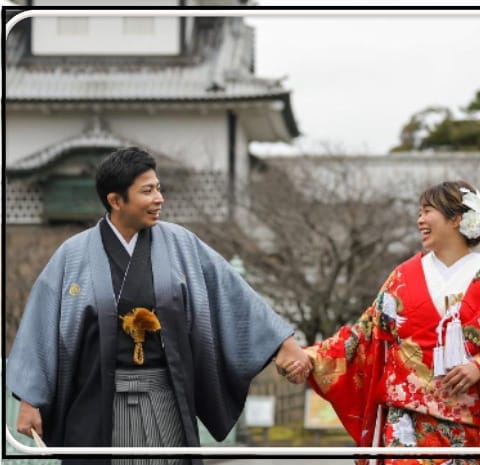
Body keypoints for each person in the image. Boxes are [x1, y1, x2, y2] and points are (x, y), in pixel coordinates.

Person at [6, 147, 311, 465]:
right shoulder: (73, 254)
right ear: (116, 200)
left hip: (165, 400)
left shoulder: (182, 244)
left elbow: (232, 294)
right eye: (147, 191)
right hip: (96, 405)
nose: (159, 198)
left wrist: (283, 344)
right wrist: (30, 399)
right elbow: (41, 327)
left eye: (159, 188)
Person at [282, 180, 480, 465]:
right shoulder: (403, 277)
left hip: (471, 429)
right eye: (419, 212)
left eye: (427, 211)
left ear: (456, 218)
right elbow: (364, 336)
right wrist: (308, 358)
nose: (420, 219)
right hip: (407, 428)